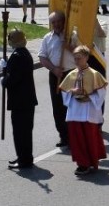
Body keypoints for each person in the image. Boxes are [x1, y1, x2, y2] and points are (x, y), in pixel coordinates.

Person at [60, 45, 108, 176]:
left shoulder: (94, 74)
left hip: (88, 111)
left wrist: (90, 97)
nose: (76, 61)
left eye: (79, 58)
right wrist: (72, 92)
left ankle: (92, 160)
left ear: (86, 57)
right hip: (75, 111)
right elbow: (64, 93)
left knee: (89, 138)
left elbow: (102, 92)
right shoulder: (71, 74)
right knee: (77, 139)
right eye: (75, 58)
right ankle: (82, 163)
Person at [38, 11, 79, 147]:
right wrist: (54, 69)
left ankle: (74, 135)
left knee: (72, 106)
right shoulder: (47, 38)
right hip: (56, 75)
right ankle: (63, 135)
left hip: (71, 74)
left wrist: (68, 46)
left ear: (63, 21)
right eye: (53, 22)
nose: (56, 24)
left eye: (58, 21)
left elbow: (83, 54)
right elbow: (42, 57)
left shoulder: (72, 36)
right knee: (58, 107)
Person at [2, 29, 37, 170]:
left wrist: (3, 80)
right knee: (25, 131)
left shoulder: (17, 56)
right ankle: (24, 156)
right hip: (27, 100)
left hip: (20, 101)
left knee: (20, 131)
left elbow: (13, 80)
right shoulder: (25, 53)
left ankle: (24, 159)